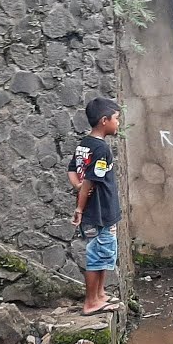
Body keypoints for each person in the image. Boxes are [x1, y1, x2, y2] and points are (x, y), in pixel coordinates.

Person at [68, 98, 123, 316]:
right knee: (98, 254)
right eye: (116, 119)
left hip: (98, 210)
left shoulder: (84, 144)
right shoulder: (101, 149)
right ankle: (91, 302)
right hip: (100, 211)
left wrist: (77, 186)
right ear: (104, 121)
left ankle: (99, 295)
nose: (118, 123)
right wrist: (79, 208)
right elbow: (90, 181)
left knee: (103, 252)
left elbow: (72, 170)